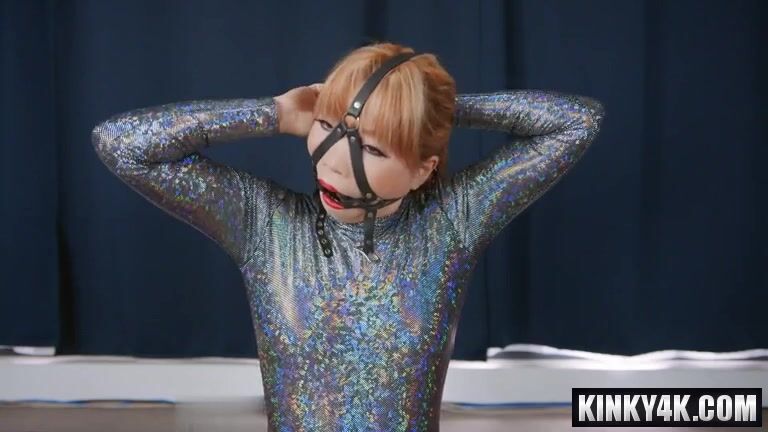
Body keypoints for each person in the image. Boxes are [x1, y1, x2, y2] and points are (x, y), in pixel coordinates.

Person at [92, 42, 604, 431]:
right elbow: (121, 144)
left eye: (374, 149)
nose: (334, 163)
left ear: (423, 169)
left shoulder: (451, 223)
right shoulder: (264, 225)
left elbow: (577, 122)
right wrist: (273, 114)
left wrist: (428, 108)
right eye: (327, 125)